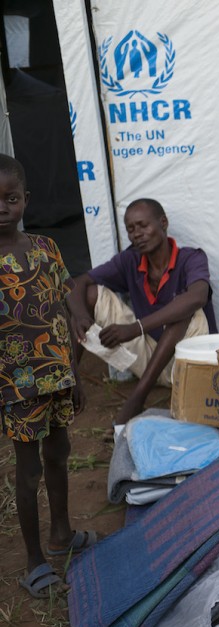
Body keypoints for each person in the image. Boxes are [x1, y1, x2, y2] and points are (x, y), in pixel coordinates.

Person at [0, 154, 96, 598]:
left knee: (59, 452)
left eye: (11, 198)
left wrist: (74, 372)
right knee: (29, 470)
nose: (3, 206)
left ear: (25, 201)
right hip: (16, 386)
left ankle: (62, 535)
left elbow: (61, 307)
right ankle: (34, 561)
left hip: (57, 376)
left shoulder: (44, 249)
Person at [67, 199, 216, 426]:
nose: (137, 234)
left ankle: (137, 398)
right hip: (149, 359)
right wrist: (80, 316)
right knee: (88, 296)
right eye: (130, 229)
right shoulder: (131, 260)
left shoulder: (191, 258)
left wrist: (135, 328)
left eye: (143, 225)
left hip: (189, 365)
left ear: (163, 223)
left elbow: (198, 296)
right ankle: (70, 381)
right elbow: (77, 284)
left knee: (185, 309)